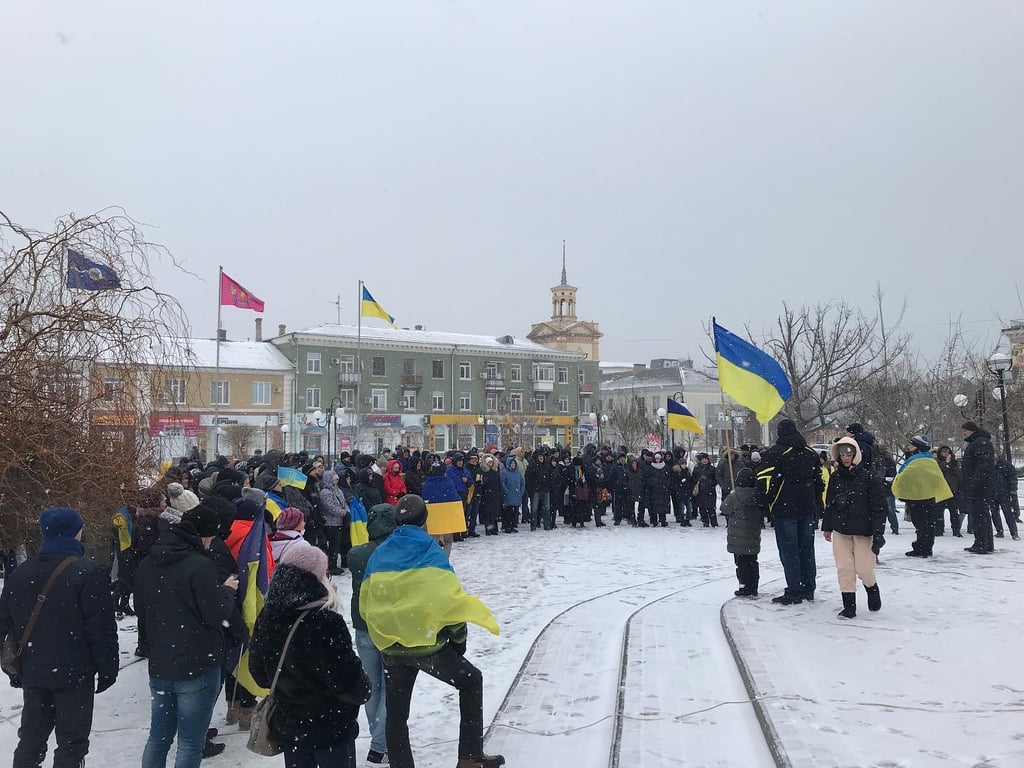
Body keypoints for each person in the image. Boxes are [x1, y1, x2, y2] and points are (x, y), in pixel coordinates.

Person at [360, 495, 504, 768]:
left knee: (397, 712)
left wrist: (386, 634)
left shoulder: (379, 553)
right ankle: (470, 757)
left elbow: (367, 602)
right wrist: (457, 640)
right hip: (428, 644)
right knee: (471, 681)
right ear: (425, 520)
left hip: (392, 646)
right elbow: (450, 599)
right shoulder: (431, 550)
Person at [0, 507, 119, 768]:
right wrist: (108, 668)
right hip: (74, 672)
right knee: (72, 743)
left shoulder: (19, 574)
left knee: (31, 738)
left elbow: (3, 625)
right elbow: (101, 629)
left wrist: (13, 668)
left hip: (33, 669)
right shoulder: (86, 573)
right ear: (75, 533)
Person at [136, 505, 239, 768]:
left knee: (158, 737)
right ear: (203, 536)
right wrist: (226, 590)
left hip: (161, 663)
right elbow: (216, 616)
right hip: (197, 662)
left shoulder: (148, 563)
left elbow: (141, 610)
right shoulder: (200, 565)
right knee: (191, 742)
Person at [249, 545, 371, 768]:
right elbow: (348, 682)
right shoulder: (326, 622)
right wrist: (364, 688)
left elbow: (260, 675)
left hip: (290, 726)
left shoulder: (267, 617)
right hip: (330, 728)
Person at [347, 504, 398, 765]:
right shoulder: (396, 553)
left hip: (363, 624)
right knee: (391, 686)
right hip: (390, 625)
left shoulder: (356, 554)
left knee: (372, 687)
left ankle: (379, 738)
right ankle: (380, 743)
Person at [756, 420, 824, 605]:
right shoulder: (810, 452)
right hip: (807, 508)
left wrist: (764, 503)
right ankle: (808, 587)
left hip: (784, 509)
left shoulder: (776, 453)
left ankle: (794, 590)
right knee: (807, 549)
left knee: (789, 551)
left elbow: (764, 479)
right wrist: (817, 505)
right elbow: (819, 481)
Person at [821, 438, 887, 619]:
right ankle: (849, 606)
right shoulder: (835, 478)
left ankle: (872, 587)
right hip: (840, 529)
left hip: (863, 531)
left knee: (864, 568)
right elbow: (830, 504)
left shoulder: (869, 478)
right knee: (844, 569)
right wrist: (827, 526)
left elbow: (879, 508)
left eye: (849, 454)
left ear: (856, 454)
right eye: (842, 455)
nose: (846, 458)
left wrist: (878, 532)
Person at [892, 436, 953, 559]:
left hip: (916, 497)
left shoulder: (915, 461)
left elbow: (903, 476)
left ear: (917, 447)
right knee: (928, 523)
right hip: (929, 496)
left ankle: (921, 547)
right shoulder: (930, 460)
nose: (908, 447)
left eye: (911, 445)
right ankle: (926, 547)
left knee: (921, 524)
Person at [720, 468, 762, 597]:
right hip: (753, 533)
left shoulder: (735, 495)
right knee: (752, 561)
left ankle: (744, 586)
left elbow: (724, 508)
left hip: (737, 537)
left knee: (741, 563)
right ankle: (753, 586)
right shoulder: (757, 494)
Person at [959, 421, 996, 554]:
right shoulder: (979, 442)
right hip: (981, 486)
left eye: (965, 430)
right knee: (982, 515)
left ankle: (981, 544)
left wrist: (974, 485)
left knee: (979, 515)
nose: (963, 433)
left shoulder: (980, 443)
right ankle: (986, 543)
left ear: (972, 431)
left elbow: (983, 467)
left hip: (980, 487)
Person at [320, 469, 351, 575]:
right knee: (333, 545)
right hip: (331, 522)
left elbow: (343, 503)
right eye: (334, 480)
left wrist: (346, 511)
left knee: (337, 544)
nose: (336, 482)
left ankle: (334, 564)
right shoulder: (325, 492)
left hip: (339, 521)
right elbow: (330, 507)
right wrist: (344, 512)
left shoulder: (337, 490)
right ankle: (331, 565)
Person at [990, 455, 1020, 541]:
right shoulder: (991, 465)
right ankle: (1000, 531)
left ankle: (1014, 532)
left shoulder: (1006, 465)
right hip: (994, 493)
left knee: (1008, 513)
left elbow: (1013, 478)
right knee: (995, 513)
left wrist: (1012, 490)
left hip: (1004, 493)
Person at [935, 446, 962, 537]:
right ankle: (939, 529)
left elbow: (959, 475)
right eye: (943, 451)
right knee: (939, 511)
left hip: (952, 489)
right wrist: (945, 463)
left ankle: (956, 530)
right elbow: (937, 471)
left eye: (948, 451)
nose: (946, 453)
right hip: (941, 489)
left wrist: (953, 467)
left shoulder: (954, 462)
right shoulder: (937, 462)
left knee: (954, 511)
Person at [525, 449, 552, 531]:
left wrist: (548, 484)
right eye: (539, 456)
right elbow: (528, 478)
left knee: (546, 508)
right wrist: (531, 488)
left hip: (545, 489)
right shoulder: (532, 465)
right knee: (534, 508)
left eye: (542, 456)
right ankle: (533, 525)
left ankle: (547, 525)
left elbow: (550, 476)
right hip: (535, 490)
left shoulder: (546, 465)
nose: (541, 458)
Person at [691, 453, 719, 528]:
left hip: (710, 491)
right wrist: (697, 483)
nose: (704, 461)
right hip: (701, 491)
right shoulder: (697, 468)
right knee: (702, 507)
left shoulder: (712, 469)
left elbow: (716, 479)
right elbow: (693, 478)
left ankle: (714, 522)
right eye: (703, 459)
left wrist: (709, 482)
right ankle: (705, 521)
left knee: (711, 507)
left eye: (706, 459)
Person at [646, 453, 673, 527]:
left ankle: (663, 520)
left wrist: (666, 485)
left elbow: (669, 478)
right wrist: (652, 483)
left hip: (663, 490)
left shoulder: (665, 467)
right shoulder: (651, 467)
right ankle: (654, 521)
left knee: (663, 507)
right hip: (654, 490)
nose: (658, 460)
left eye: (659, 458)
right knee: (654, 506)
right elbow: (648, 478)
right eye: (656, 458)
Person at [500, 455, 525, 533]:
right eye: (512, 463)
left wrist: (521, 491)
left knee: (515, 512)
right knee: (508, 512)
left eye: (514, 463)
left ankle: (513, 525)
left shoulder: (518, 473)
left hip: (516, 495)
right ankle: (507, 526)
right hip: (508, 495)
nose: (513, 465)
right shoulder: (504, 472)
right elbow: (502, 483)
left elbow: (522, 483)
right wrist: (506, 491)